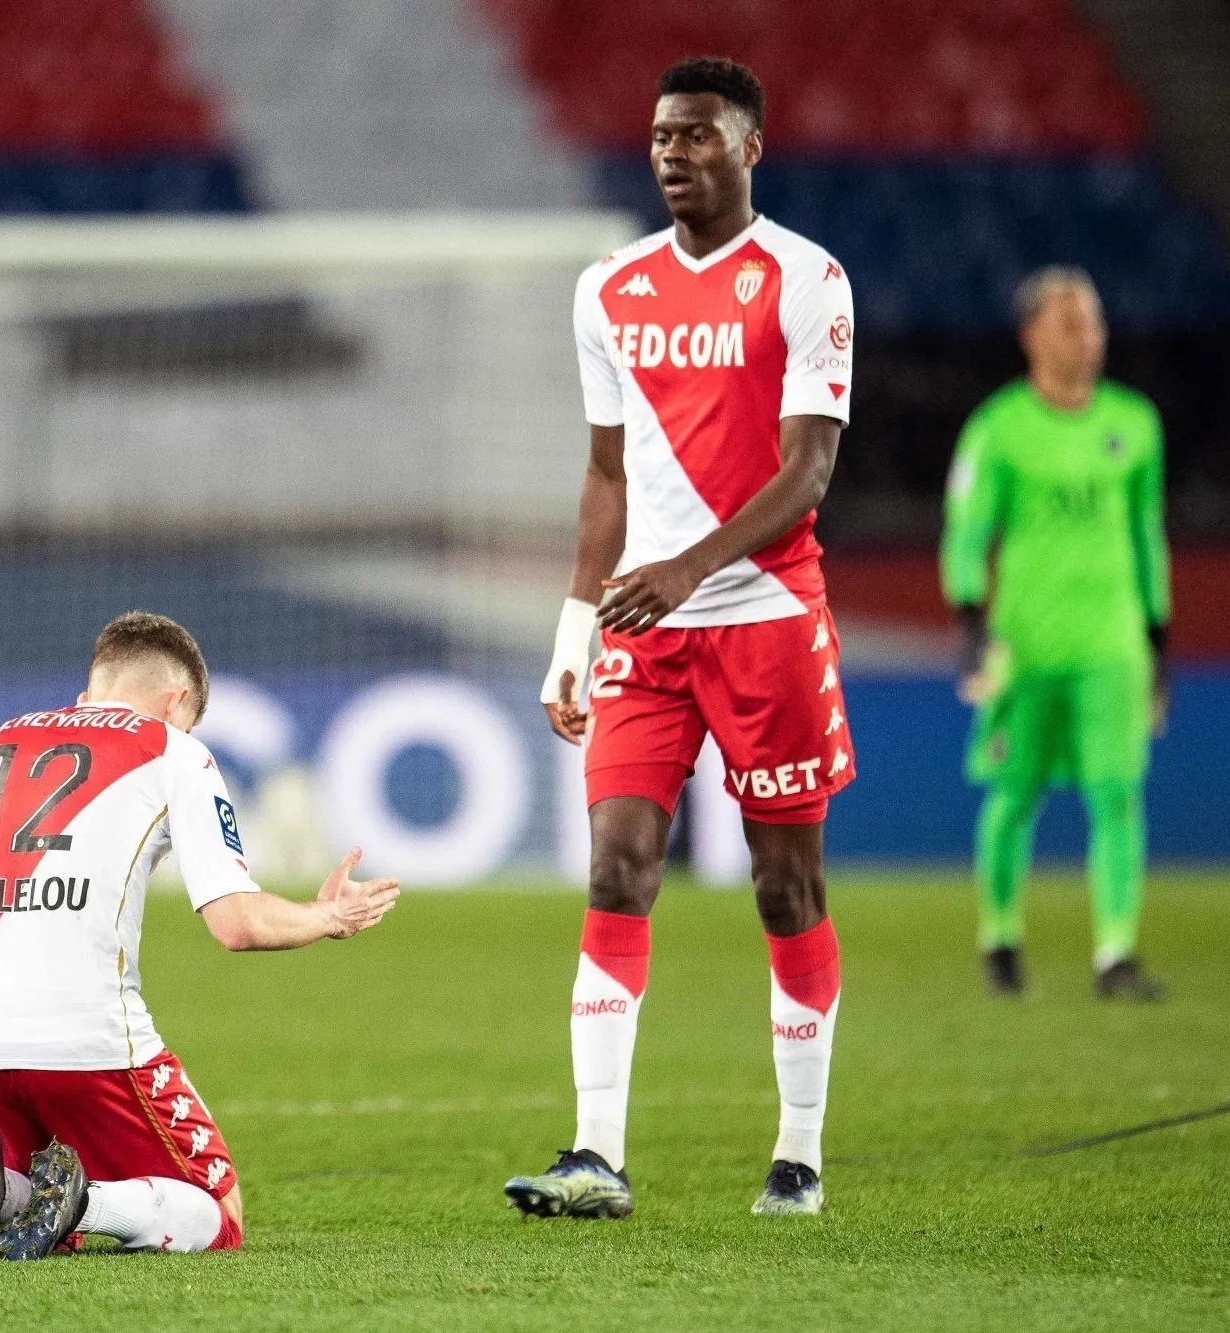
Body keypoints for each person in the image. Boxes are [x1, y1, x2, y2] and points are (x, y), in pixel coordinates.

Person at [506, 55, 858, 1221]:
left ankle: (796, 1154)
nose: (672, 152)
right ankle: (593, 1153)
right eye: (661, 135)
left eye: (697, 134)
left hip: (763, 619)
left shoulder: (805, 280)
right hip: (642, 634)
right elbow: (605, 476)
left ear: (749, 146)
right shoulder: (607, 288)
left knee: (783, 884)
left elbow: (806, 471)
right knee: (615, 864)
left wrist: (685, 569)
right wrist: (573, 627)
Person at [0, 611, 399, 1260]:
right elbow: (236, 924)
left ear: (91, 689)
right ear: (178, 702)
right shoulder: (172, 750)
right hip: (87, 1044)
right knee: (218, 1213)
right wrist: (328, 916)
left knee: (48, 1217)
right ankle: (81, 1202)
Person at [939, 268, 1170, 1002]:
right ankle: (1001, 938)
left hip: (1112, 645)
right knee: (1014, 794)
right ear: (1031, 335)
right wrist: (971, 626)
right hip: (1025, 644)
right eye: (1071, 322)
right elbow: (967, 532)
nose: (1089, 336)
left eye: (1094, 321)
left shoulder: (1136, 424)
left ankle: (1116, 954)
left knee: (1117, 794)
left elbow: (1148, 537)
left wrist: (1158, 638)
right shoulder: (998, 428)